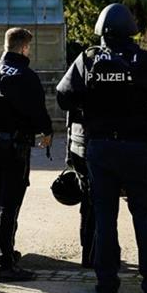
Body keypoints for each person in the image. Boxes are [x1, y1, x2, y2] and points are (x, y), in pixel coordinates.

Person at [56, 3, 147, 293]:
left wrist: (89, 107)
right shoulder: (143, 60)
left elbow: (63, 96)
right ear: (131, 29)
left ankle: (107, 283)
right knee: (143, 216)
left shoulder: (88, 59)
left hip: (100, 147)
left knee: (105, 218)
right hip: (136, 147)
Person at [0, 27, 53, 282]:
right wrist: (47, 133)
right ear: (25, 47)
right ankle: (4, 265)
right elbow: (38, 113)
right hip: (14, 149)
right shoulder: (25, 76)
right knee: (9, 204)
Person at [66, 108, 96, 268]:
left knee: (88, 202)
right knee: (97, 203)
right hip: (96, 140)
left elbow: (67, 107)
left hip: (79, 141)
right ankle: (93, 253)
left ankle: (88, 251)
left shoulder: (76, 81)